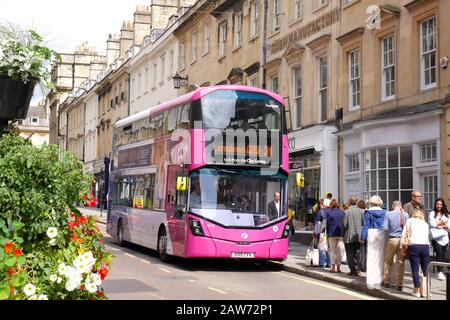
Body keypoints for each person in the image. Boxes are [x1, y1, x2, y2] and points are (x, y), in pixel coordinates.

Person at [401, 208, 430, 297]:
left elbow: (404, 234)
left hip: (414, 246)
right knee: (425, 269)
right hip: (425, 246)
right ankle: (425, 291)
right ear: (422, 215)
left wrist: (402, 247)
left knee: (415, 269)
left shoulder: (410, 221)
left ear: (413, 214)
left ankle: (417, 290)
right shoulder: (425, 223)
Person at [360, 195, 386, 289]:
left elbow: (365, 226)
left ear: (371, 202)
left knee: (371, 257)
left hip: (371, 234)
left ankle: (371, 278)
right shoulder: (384, 212)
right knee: (380, 256)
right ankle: (380, 277)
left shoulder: (368, 212)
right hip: (381, 234)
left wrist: (362, 238)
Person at [383, 201, 409, 291]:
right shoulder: (406, 215)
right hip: (402, 240)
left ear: (393, 206)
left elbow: (385, 228)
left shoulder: (388, 214)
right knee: (400, 263)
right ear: (401, 206)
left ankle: (386, 281)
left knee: (388, 261)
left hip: (392, 239)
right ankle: (399, 284)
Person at [343, 196, 364, 276]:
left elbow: (344, 225)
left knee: (350, 254)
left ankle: (353, 270)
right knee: (357, 253)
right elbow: (363, 223)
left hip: (349, 236)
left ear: (349, 201)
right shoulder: (361, 211)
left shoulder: (346, 212)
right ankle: (358, 269)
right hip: (358, 236)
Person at [428, 198, 449, 281]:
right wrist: (442, 224)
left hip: (445, 237)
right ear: (435, 205)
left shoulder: (447, 214)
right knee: (439, 254)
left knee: (443, 255)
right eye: (437, 204)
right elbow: (432, 223)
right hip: (436, 237)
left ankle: (442, 271)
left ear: (443, 205)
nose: (439, 206)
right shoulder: (432, 213)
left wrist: (444, 225)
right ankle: (439, 272)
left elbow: (449, 224)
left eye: (440, 204)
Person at [326, 199, 345, 273]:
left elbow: (327, 224)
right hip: (340, 234)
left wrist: (327, 233)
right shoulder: (342, 213)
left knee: (332, 251)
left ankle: (333, 268)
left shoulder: (329, 213)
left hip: (331, 234)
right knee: (339, 251)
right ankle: (338, 268)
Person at [315, 199, 331, 268]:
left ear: (324, 204)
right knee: (328, 248)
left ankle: (322, 263)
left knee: (321, 247)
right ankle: (329, 263)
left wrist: (316, 232)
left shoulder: (321, 212)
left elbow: (318, 223)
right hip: (330, 232)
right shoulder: (331, 211)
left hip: (322, 232)